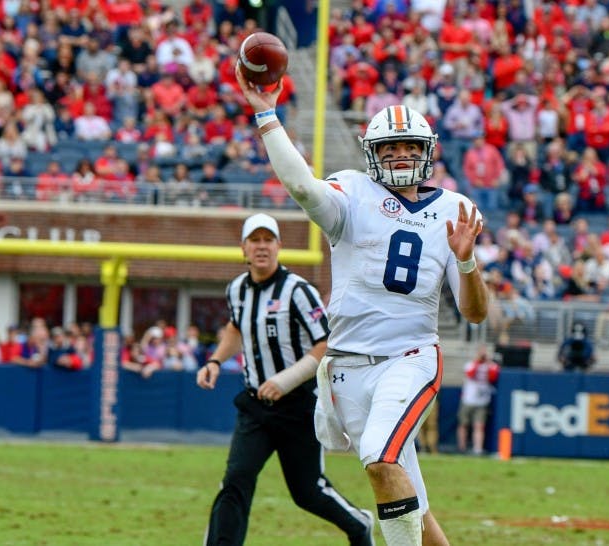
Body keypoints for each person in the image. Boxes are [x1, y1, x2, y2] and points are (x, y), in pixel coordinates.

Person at [236, 66, 489, 546]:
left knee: (379, 456)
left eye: (410, 147)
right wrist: (266, 115)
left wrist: (468, 261)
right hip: (348, 366)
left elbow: (475, 313)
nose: (400, 156)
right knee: (414, 503)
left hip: (409, 356)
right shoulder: (352, 193)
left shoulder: (454, 211)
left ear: (427, 153)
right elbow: (303, 187)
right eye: (389, 149)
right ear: (372, 155)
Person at [195, 214, 374, 546]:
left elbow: (326, 343)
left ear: (279, 246)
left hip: (298, 406)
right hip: (256, 406)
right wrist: (216, 360)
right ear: (243, 248)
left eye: (268, 240)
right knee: (236, 479)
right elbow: (236, 327)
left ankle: (359, 524)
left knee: (307, 492)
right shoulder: (236, 289)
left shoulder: (298, 290)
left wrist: (287, 379)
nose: (261, 246)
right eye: (255, 240)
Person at [457, 345, 500, 455]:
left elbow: (493, 377)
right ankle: (461, 448)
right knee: (463, 424)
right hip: (468, 399)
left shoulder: (491, 365)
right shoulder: (470, 364)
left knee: (479, 425)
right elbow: (470, 374)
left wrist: (488, 362)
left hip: (482, 401)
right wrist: (477, 361)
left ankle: (478, 448)